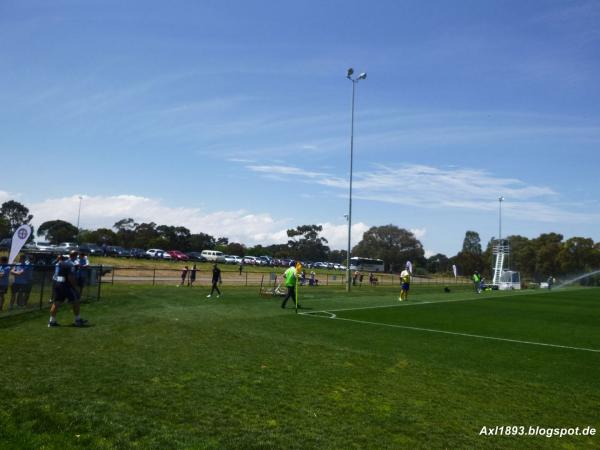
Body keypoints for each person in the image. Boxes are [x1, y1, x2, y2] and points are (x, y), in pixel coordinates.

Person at [48, 255, 88, 327]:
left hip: (58, 284)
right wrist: (75, 287)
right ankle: (77, 320)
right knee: (75, 302)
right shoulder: (70, 265)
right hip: (66, 286)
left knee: (56, 303)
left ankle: (51, 321)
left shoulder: (60, 264)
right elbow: (70, 277)